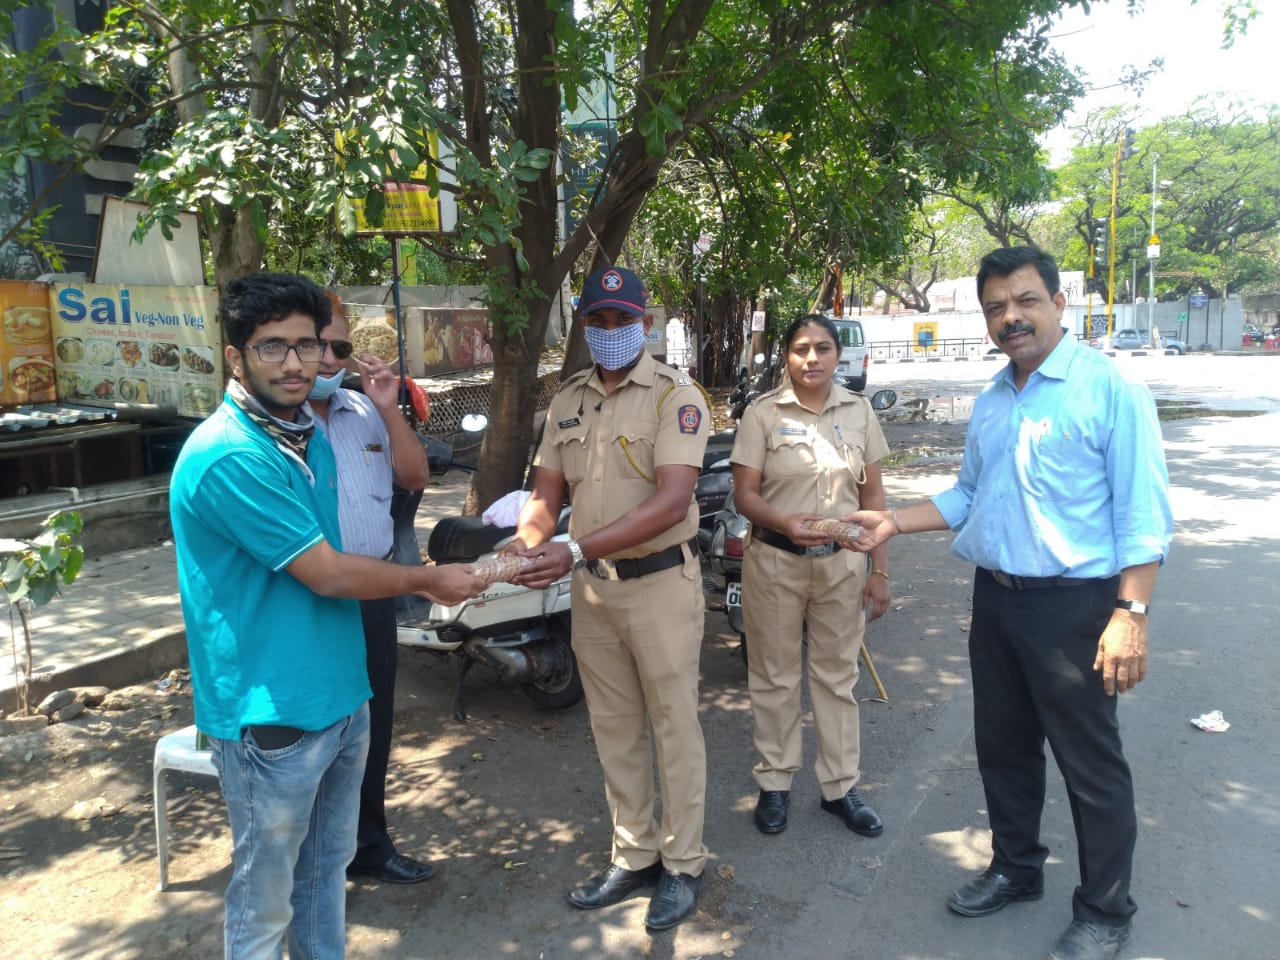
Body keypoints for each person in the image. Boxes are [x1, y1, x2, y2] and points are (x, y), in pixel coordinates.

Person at [849, 246, 1173, 960]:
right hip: (997, 601)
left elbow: (1143, 517)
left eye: (1025, 300)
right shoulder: (995, 398)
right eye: (996, 307)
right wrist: (891, 520)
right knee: (1003, 748)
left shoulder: (1109, 390)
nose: (1010, 317)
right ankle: (1017, 868)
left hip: (1077, 608)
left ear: (1060, 304)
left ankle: (1105, 910)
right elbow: (969, 495)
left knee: (1090, 764)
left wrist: (1132, 615)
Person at [170, 272, 485, 959]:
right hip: (273, 713)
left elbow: (398, 490)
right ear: (235, 357)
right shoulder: (230, 455)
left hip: (342, 695)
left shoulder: (306, 437)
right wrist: (429, 580)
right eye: (272, 347)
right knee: (266, 901)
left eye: (308, 347)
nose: (295, 363)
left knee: (324, 878)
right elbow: (328, 570)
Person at [505, 265, 710, 932]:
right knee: (614, 729)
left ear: (644, 323)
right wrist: (528, 544)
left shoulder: (675, 396)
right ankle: (636, 855)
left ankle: (682, 864)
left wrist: (570, 550)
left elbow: (673, 499)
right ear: (583, 325)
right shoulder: (567, 398)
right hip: (594, 593)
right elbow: (545, 492)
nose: (611, 330)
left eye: (624, 319)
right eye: (598, 319)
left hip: (660, 587)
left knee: (674, 727)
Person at [729, 314, 891, 838]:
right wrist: (782, 521)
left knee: (837, 678)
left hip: (843, 565)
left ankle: (840, 787)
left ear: (838, 355)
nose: (812, 358)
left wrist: (880, 571)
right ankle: (774, 783)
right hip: (776, 562)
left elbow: (874, 500)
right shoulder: (762, 415)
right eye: (801, 349)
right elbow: (745, 495)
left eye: (822, 348)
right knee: (774, 676)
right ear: (786, 356)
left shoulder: (860, 412)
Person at [307, 293, 436, 885]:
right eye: (316, 346)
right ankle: (317, 861)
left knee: (375, 720)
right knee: (318, 730)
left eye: (340, 347)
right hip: (313, 600)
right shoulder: (275, 427)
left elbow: (414, 476)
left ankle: (369, 842)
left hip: (374, 592)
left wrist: (389, 410)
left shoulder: (362, 410)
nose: (328, 359)